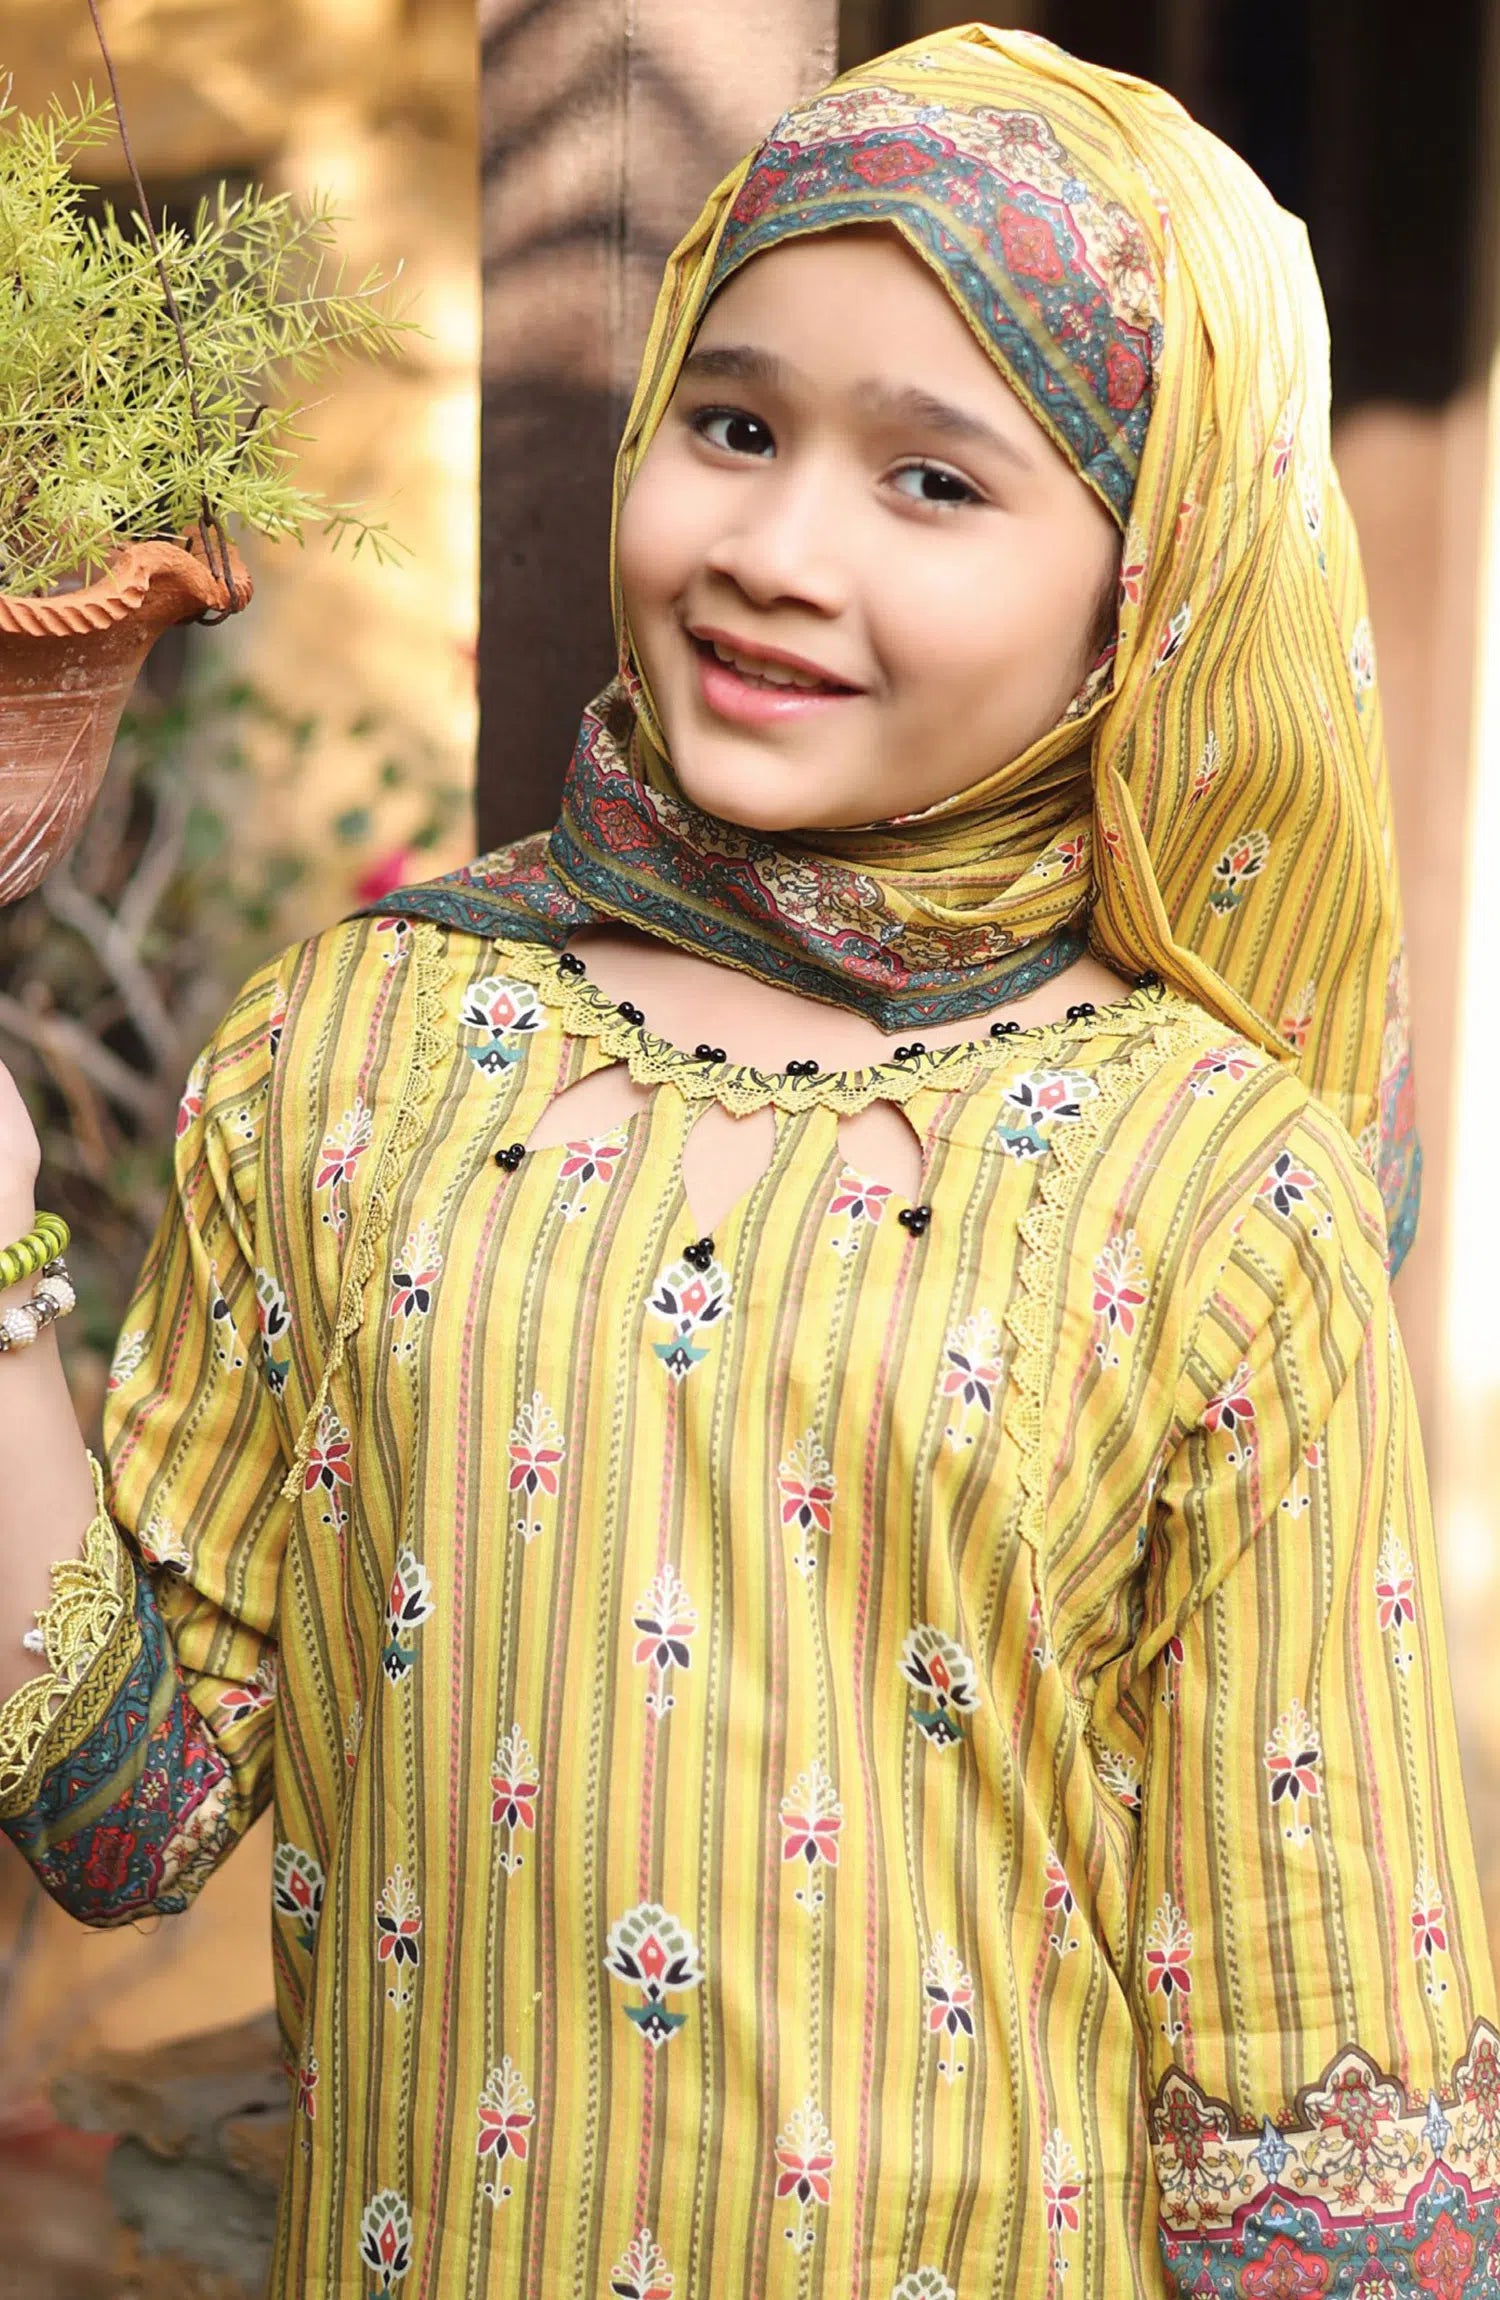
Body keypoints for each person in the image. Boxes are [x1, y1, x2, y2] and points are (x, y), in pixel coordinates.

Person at [0, 24, 1490, 2297]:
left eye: (936, 481)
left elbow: (1322, 2133)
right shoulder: (357, 1049)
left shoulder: (1214, 1191)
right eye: (735, 425)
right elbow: (130, 1819)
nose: (778, 552)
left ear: (1148, 590)